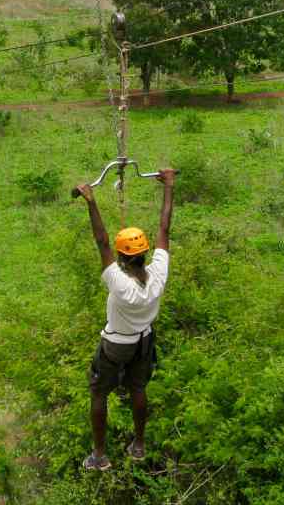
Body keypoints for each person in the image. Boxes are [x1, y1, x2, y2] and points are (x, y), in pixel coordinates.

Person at [75, 168, 175, 471]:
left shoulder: (119, 283)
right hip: (144, 341)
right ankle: (139, 445)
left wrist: (91, 201)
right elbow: (165, 229)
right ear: (145, 253)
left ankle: (99, 455)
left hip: (116, 345)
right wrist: (169, 185)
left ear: (121, 257)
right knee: (138, 388)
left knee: (98, 392)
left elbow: (102, 242)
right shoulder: (157, 274)